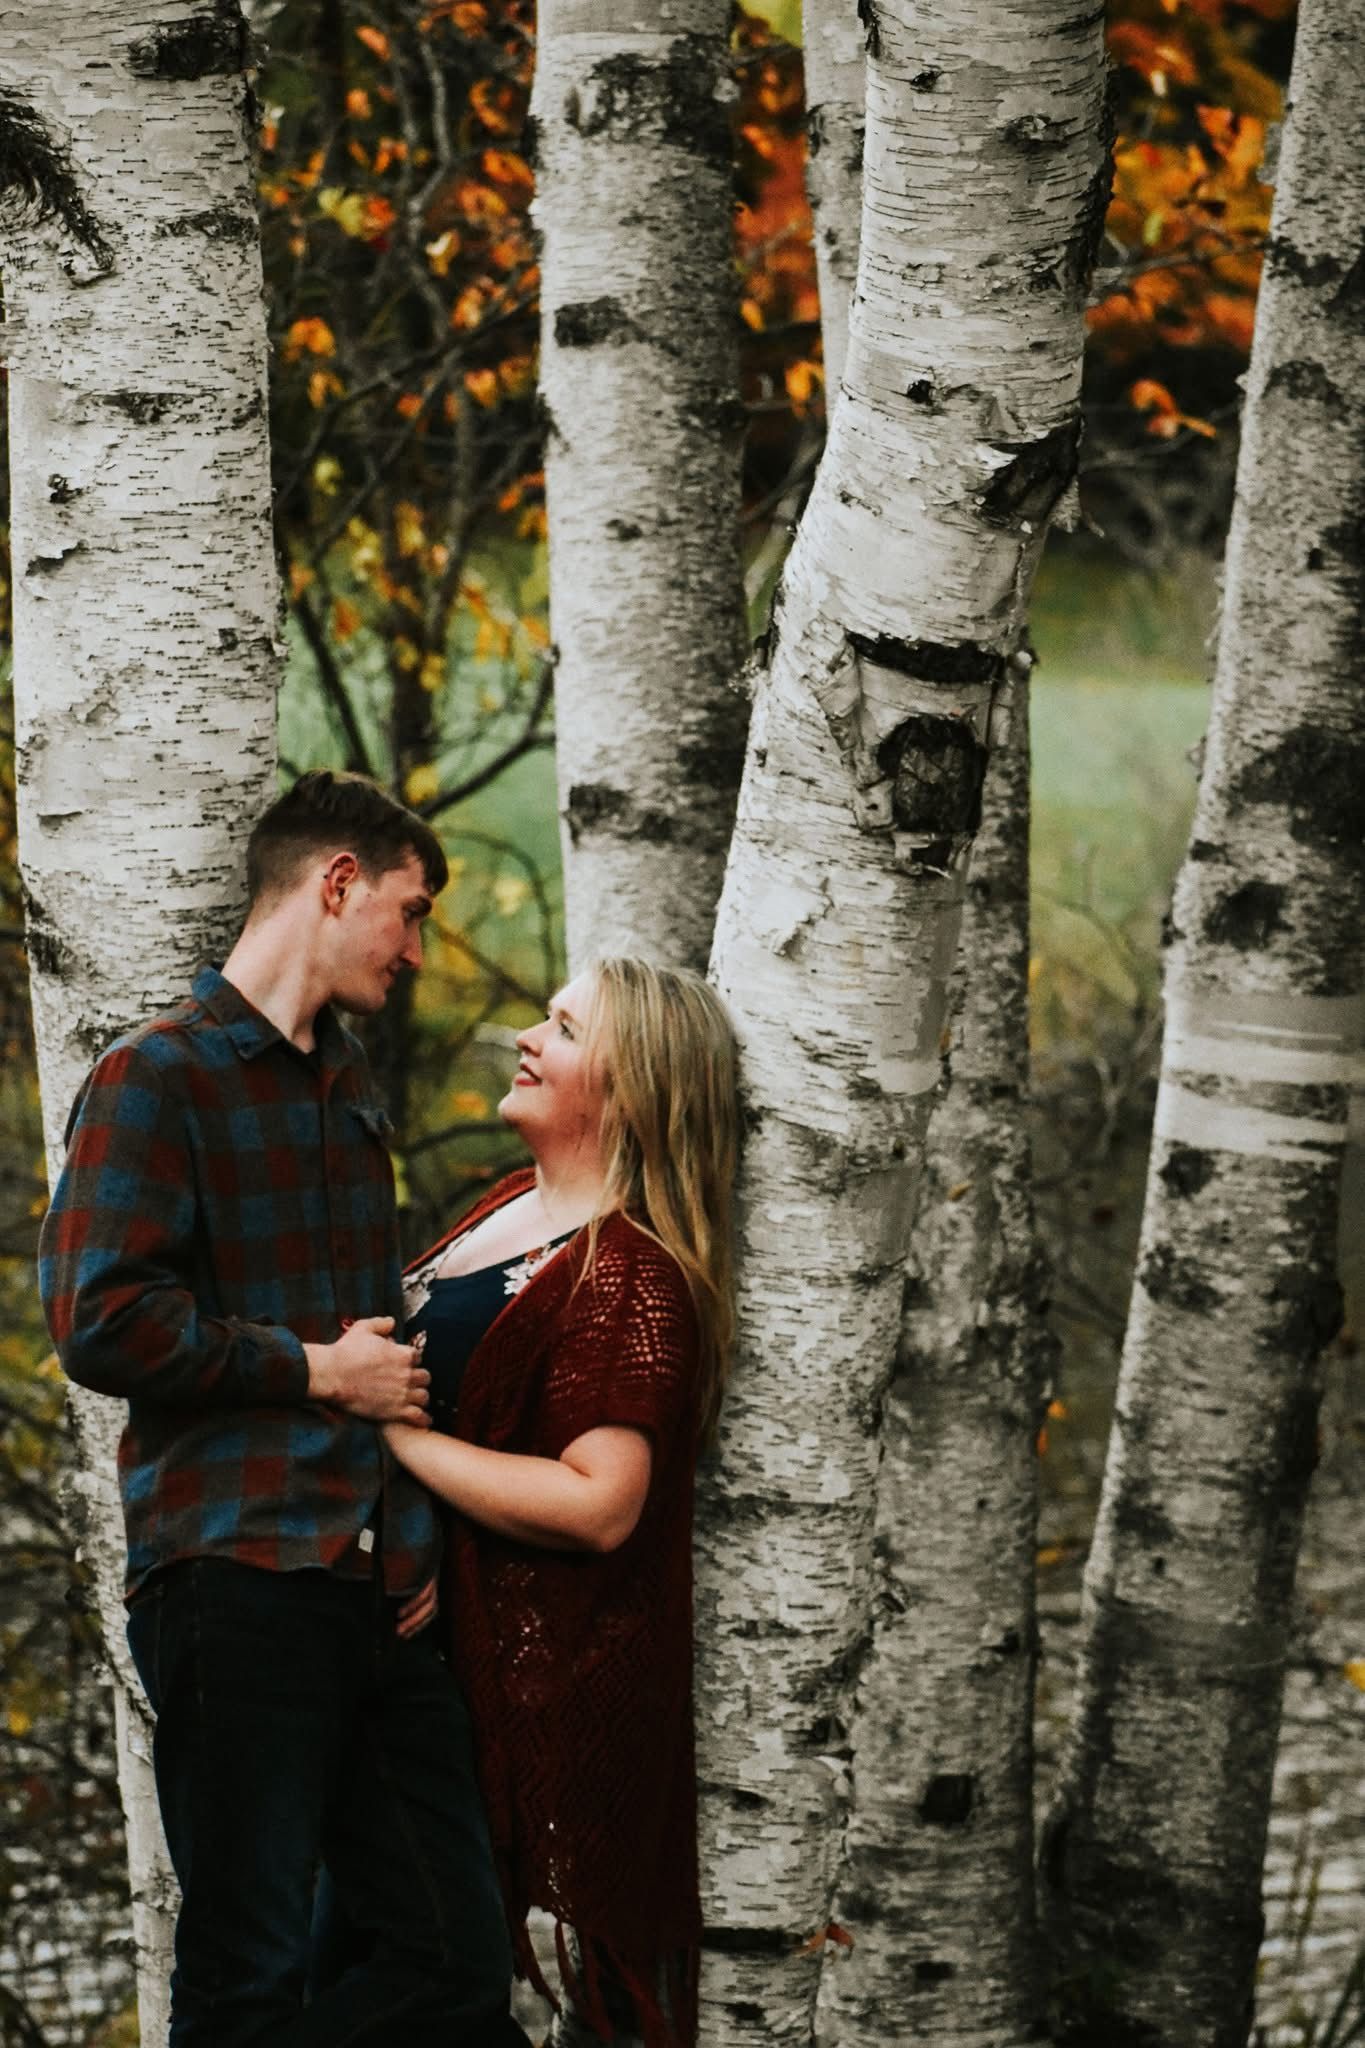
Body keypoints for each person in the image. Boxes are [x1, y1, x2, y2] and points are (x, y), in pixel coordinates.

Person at [38, 769, 533, 2048]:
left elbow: (386, 1353)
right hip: (233, 1575)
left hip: (372, 1592)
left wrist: (408, 1539)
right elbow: (100, 1317)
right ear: (336, 883)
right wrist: (309, 1369)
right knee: (245, 1973)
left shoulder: (349, 1089)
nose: (418, 950)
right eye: (409, 912)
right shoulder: (157, 1076)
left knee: (454, 1958)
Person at [383, 956, 742, 2048]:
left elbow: (599, 1503)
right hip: (416, 1683)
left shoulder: (627, 1275)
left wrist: (396, 1436)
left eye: (565, 1028)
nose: (527, 1037)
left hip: (530, 1703)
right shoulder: (509, 1208)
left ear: (631, 1090)